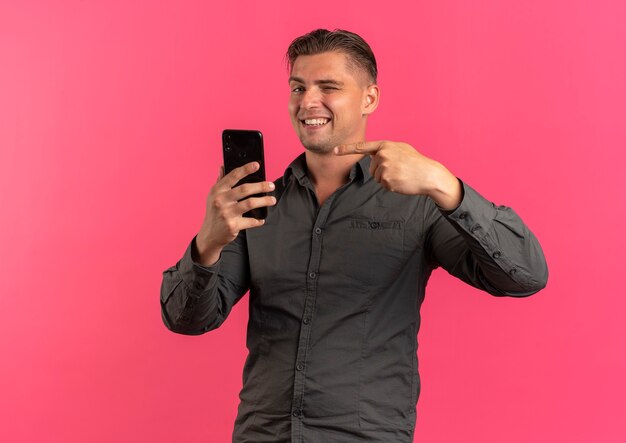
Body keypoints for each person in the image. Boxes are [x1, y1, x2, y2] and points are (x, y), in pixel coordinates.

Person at [160, 29, 548, 442]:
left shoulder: (417, 203)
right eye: (298, 87)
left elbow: (524, 276)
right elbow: (187, 320)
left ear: (369, 99)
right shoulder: (259, 207)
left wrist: (445, 185)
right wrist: (209, 242)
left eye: (328, 86)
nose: (308, 101)